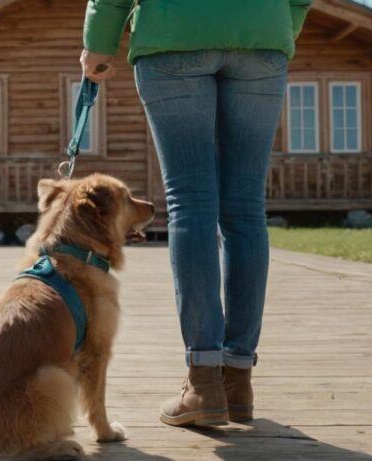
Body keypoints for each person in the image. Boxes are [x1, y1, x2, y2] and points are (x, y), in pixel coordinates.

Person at [81, 0, 312, 427]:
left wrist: (98, 43)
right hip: (261, 35)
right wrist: (277, 25)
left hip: (174, 35)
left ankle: (203, 384)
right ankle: (237, 381)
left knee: (191, 205)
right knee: (245, 209)